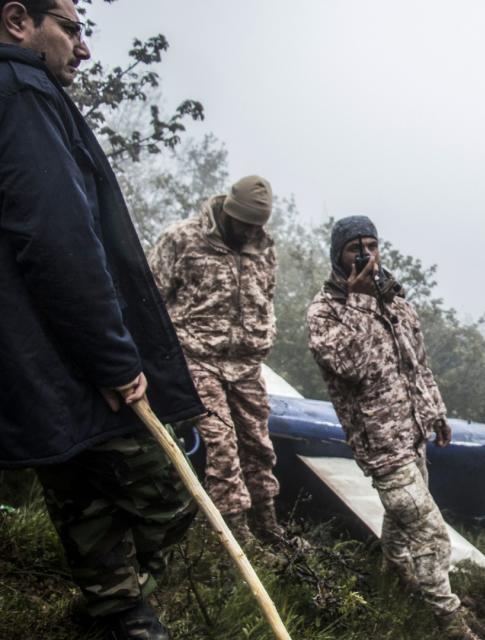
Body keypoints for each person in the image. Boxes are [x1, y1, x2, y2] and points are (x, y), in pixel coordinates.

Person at [0, 2, 205, 637]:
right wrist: (115, 358)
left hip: (40, 352)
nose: (83, 49)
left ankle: (114, 610)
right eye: (71, 27)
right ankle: (114, 605)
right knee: (166, 487)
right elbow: (58, 237)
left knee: (81, 482)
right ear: (17, 21)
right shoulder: (24, 92)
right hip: (66, 351)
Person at [307, 216, 480, 640]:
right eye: (355, 248)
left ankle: (394, 575)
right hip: (380, 444)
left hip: (413, 431)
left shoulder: (398, 303)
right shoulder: (325, 311)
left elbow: (417, 364)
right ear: (338, 256)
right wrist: (361, 300)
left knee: (402, 521)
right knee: (431, 533)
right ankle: (450, 623)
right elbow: (350, 366)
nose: (366, 255)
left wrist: (435, 413)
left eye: (371, 245)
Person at [149, 176, 289, 547]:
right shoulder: (183, 239)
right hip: (197, 358)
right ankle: (236, 538)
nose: (248, 231)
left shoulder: (263, 247)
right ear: (228, 211)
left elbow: (267, 296)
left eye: (257, 225)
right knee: (221, 443)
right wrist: (156, 357)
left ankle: (268, 526)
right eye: (244, 222)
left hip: (246, 365)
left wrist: (264, 333)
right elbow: (149, 296)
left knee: (259, 446)